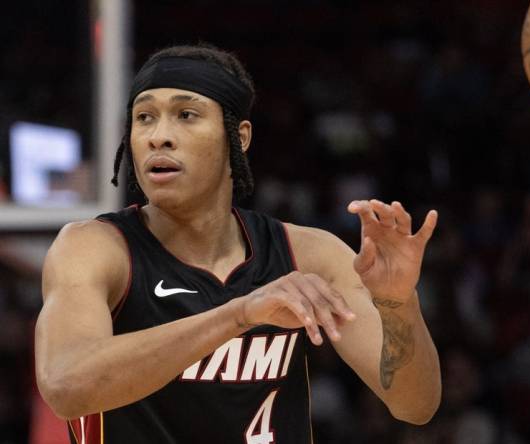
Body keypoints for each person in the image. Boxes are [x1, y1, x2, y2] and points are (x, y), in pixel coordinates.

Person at [34, 44, 441, 444]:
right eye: (144, 118)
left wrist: (398, 303)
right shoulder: (95, 248)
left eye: (186, 115)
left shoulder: (308, 254)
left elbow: (414, 405)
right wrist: (238, 315)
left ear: (239, 136)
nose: (159, 136)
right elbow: (66, 385)